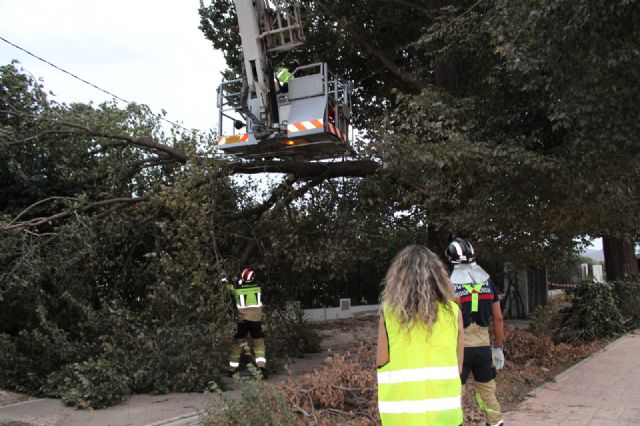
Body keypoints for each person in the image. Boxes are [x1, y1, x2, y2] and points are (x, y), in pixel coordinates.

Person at [377, 245, 464, 426]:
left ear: (398, 279)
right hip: (445, 418)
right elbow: (459, 367)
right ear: (438, 278)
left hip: (401, 420)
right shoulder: (453, 313)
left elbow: (381, 362)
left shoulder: (389, 314)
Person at [445, 238, 505, 426]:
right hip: (483, 349)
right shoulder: (487, 282)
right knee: (487, 392)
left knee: (455, 395)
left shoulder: (448, 286)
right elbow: (498, 319)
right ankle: (495, 422)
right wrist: (497, 348)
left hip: (459, 351)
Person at [224, 267, 267, 378]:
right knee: (259, 345)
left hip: (242, 322)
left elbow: (229, 288)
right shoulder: (259, 287)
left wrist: (224, 280)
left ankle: (231, 370)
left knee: (238, 345)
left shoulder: (237, 289)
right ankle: (261, 368)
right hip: (256, 322)